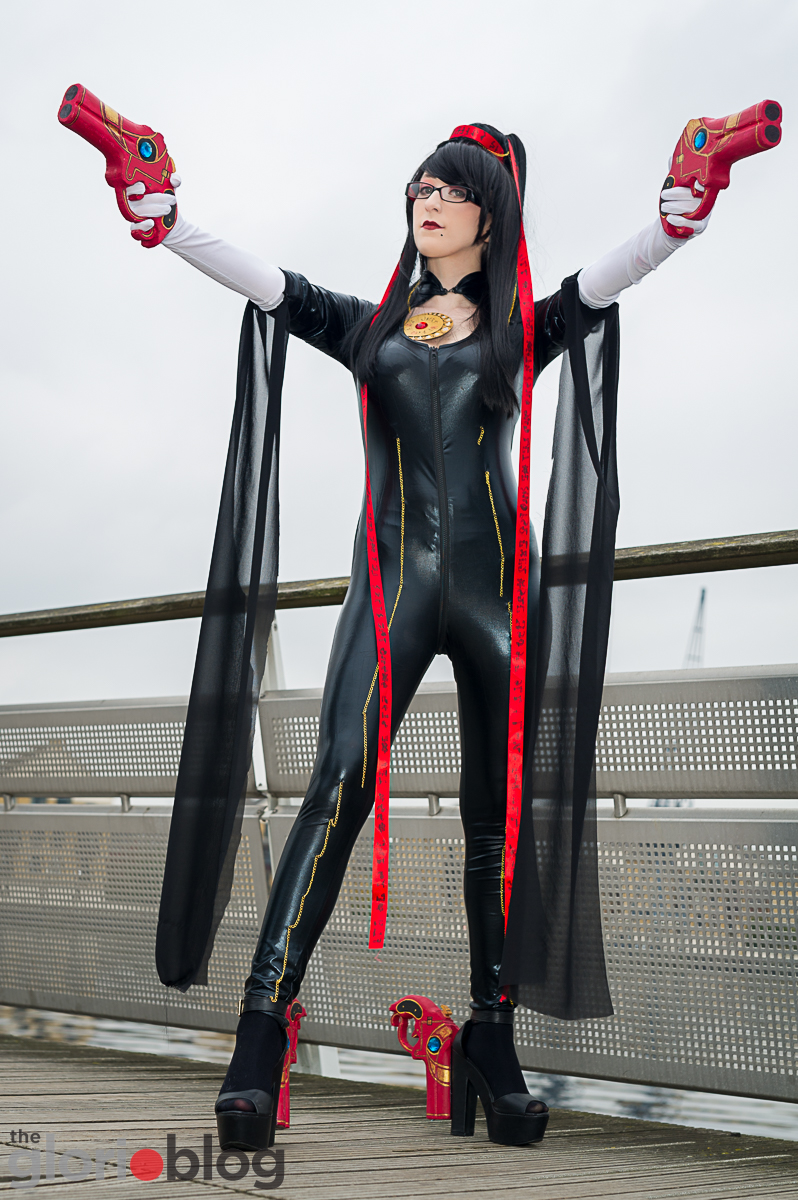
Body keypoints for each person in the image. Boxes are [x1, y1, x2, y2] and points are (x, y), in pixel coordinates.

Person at [123, 122, 708, 1150]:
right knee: (337, 783)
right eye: (420, 186)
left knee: (498, 820)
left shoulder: (523, 326)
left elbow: (609, 279)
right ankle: (262, 1028)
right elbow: (270, 285)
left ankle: (492, 1036)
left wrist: (677, 218)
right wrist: (170, 223)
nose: (427, 199)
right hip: (392, 589)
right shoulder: (368, 327)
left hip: (500, 600)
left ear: (491, 211)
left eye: (451, 188)